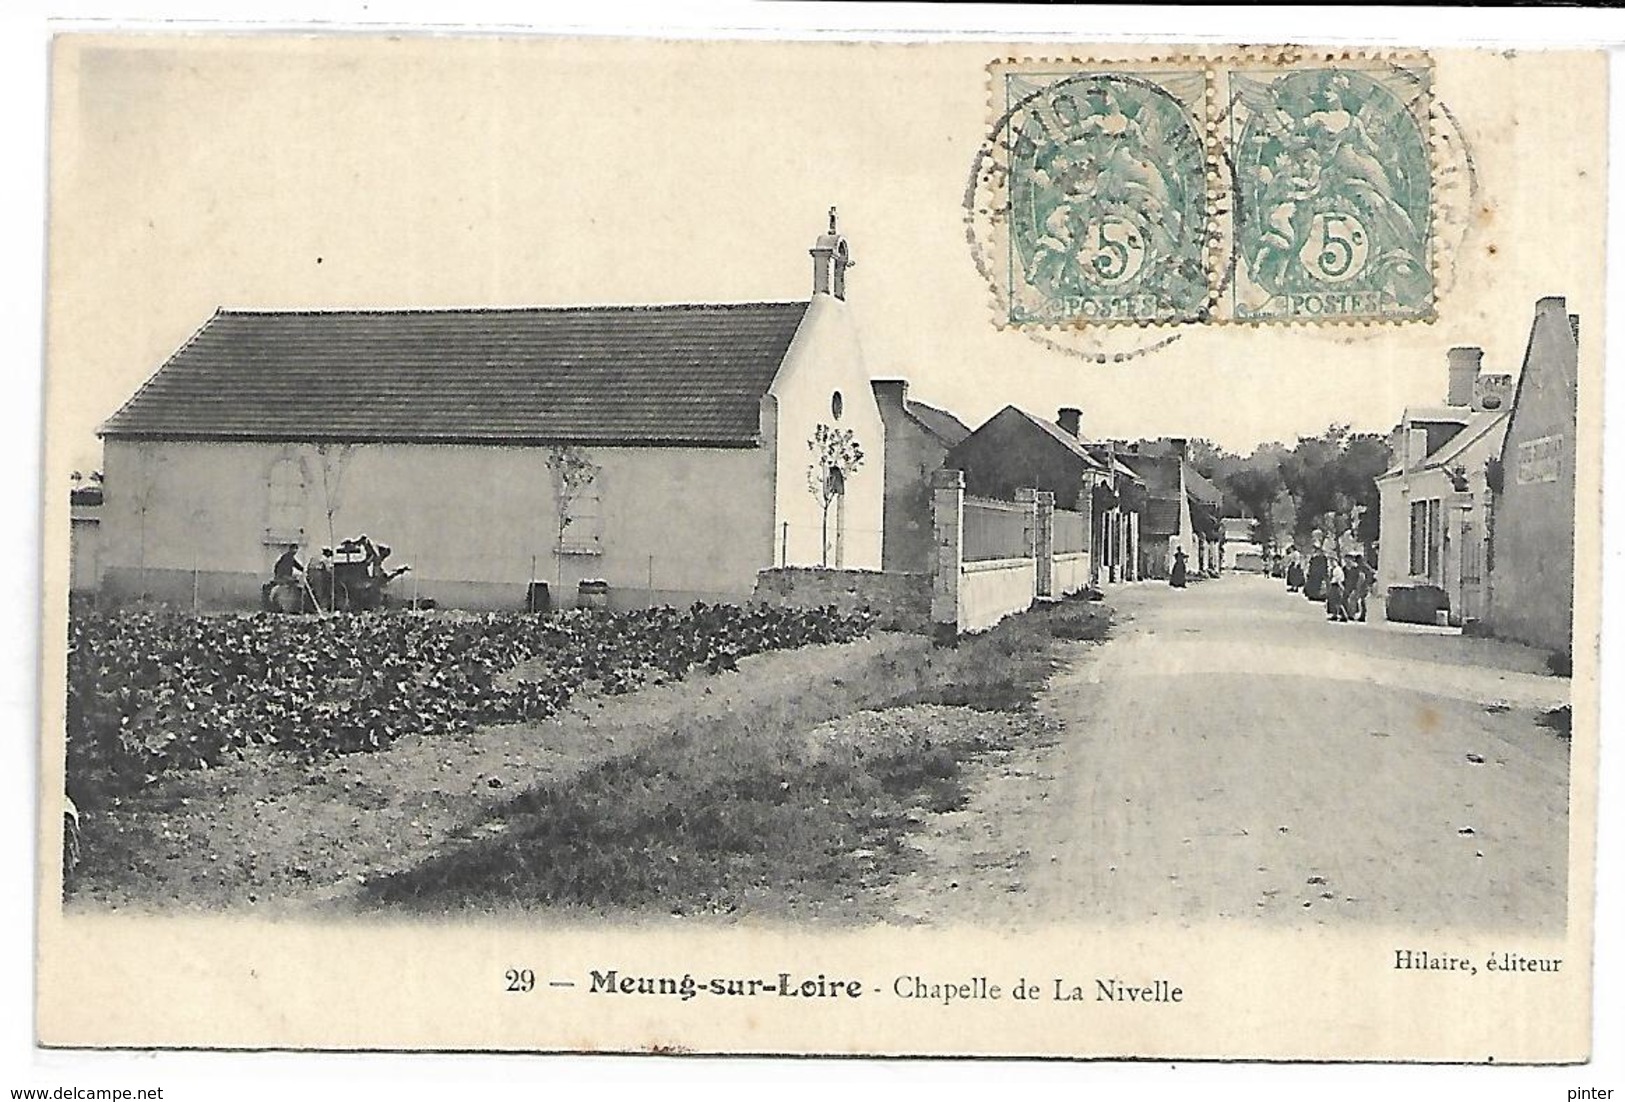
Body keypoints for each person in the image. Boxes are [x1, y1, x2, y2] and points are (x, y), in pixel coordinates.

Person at [1325, 556, 1348, 621]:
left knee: (1338, 602)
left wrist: (1341, 588)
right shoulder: (1333, 569)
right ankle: (1334, 615)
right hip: (1333, 585)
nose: (1331, 563)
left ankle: (1344, 616)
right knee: (1333, 601)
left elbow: (1338, 580)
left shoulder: (1338, 569)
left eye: (1333, 561)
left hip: (1337, 585)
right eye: (1330, 561)